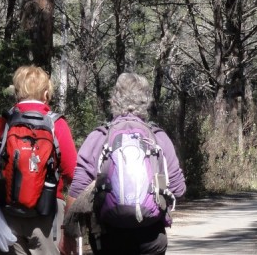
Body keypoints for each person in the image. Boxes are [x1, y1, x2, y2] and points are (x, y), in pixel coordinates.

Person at [60, 72, 186, 255]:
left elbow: (77, 189)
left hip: (108, 237)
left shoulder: (99, 136)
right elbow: (178, 189)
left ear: (114, 99)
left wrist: (68, 233)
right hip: (150, 236)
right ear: (146, 101)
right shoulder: (158, 137)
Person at [0, 65, 77, 255]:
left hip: (7, 213)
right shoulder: (57, 124)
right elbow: (73, 172)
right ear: (46, 94)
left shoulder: (3, 123)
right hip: (48, 214)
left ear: (17, 92)